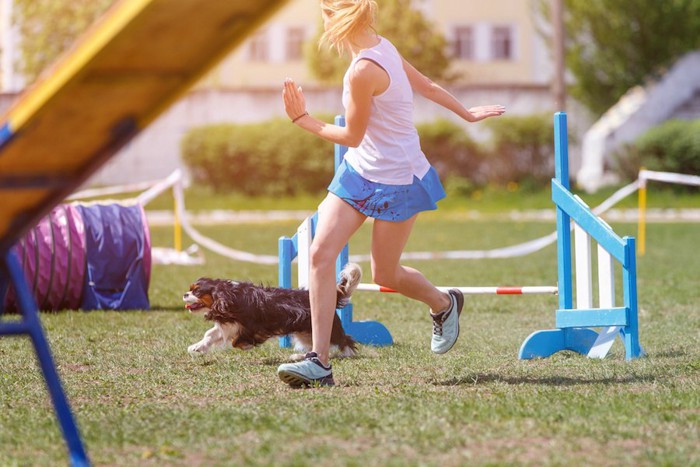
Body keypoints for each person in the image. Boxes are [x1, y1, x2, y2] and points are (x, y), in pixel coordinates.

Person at [277, 0, 505, 387]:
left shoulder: (365, 69)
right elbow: (427, 86)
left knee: (386, 272)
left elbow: (351, 135)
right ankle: (319, 361)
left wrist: (303, 120)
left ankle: (444, 304)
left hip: (399, 178)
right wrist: (465, 113)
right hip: (359, 172)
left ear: (334, 19)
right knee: (319, 254)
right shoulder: (382, 48)